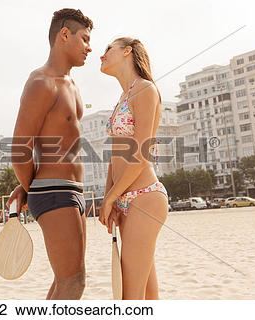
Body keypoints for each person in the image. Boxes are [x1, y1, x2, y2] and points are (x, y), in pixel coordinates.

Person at [6, 8, 93, 300]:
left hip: (72, 190)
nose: (89, 48)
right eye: (84, 39)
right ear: (64, 35)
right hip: (55, 191)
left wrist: (28, 186)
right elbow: (20, 149)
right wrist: (32, 188)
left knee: (66, 280)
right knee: (74, 282)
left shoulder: (72, 85)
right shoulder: (41, 82)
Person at [98, 37, 169, 299]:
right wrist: (110, 198)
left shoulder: (146, 89)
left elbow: (140, 152)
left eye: (108, 49)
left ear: (127, 51)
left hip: (145, 198)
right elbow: (116, 154)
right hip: (125, 198)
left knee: (129, 296)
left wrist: (113, 196)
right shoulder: (123, 97)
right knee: (147, 296)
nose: (101, 55)